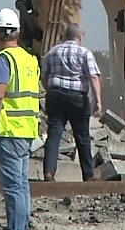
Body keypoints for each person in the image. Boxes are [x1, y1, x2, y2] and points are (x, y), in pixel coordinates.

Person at [0, 8, 40, 230]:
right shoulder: (29, 59)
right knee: (22, 184)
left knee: (13, 185)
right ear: (17, 32)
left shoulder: (3, 60)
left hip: (7, 131)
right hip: (26, 130)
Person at [41, 23, 103, 182]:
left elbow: (44, 77)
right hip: (77, 98)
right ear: (80, 37)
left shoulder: (52, 52)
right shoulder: (84, 53)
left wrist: (51, 92)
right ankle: (88, 174)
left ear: (64, 36)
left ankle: (49, 172)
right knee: (82, 136)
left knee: (54, 134)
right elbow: (93, 77)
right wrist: (98, 101)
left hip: (55, 95)